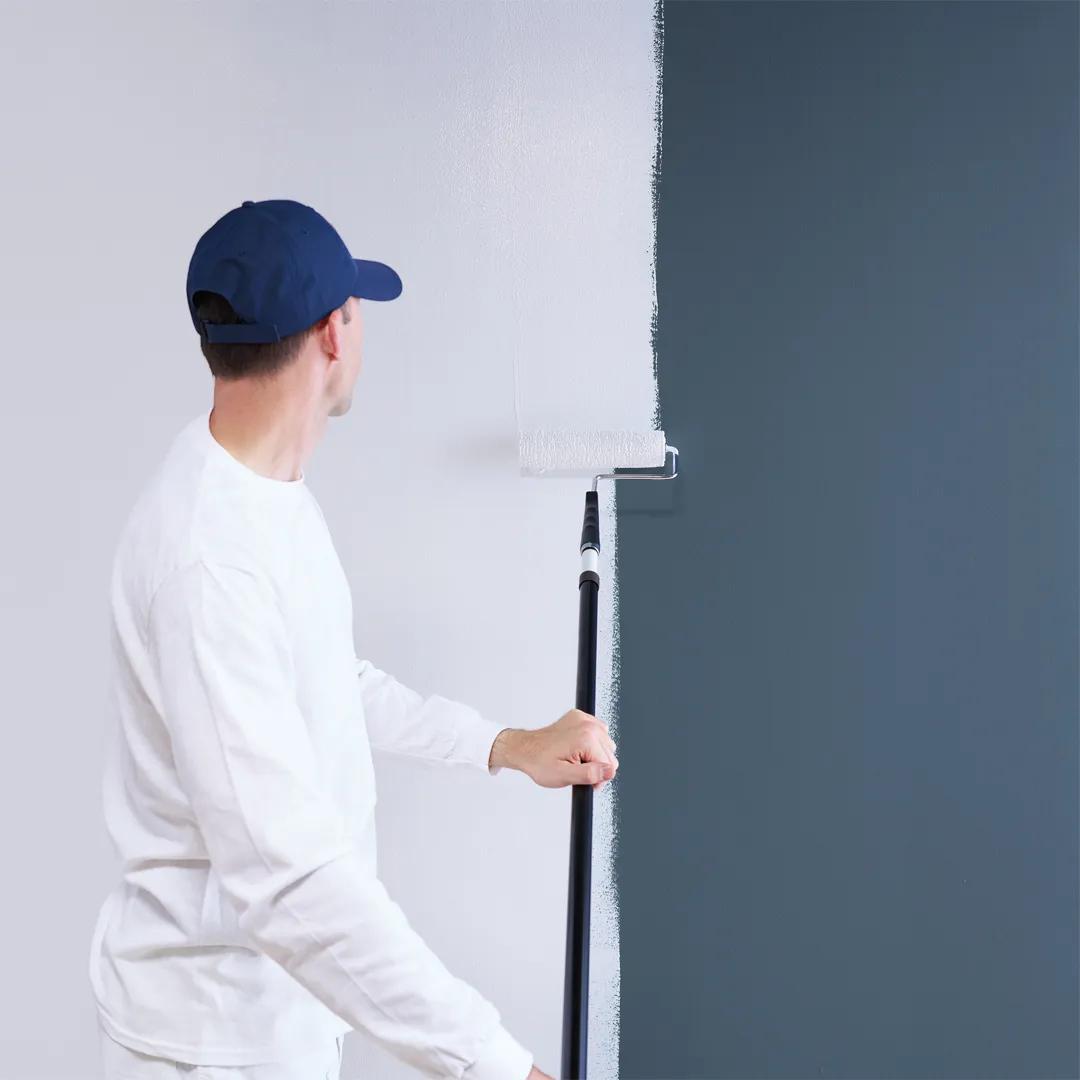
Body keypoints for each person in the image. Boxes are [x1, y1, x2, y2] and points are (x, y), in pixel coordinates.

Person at [88, 199, 618, 1080]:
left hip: (279, 1018)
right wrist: (495, 1065)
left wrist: (504, 745)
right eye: (359, 311)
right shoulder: (208, 558)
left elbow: (329, 681)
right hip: (213, 1047)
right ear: (335, 333)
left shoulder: (263, 491)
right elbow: (286, 882)